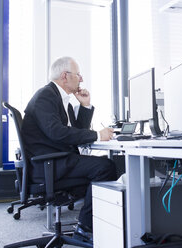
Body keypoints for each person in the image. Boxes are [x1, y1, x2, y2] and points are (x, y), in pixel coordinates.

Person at [21, 56, 117, 242]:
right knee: (106, 167)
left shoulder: (59, 98)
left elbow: (75, 132)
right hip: (49, 164)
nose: (81, 79)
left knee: (104, 165)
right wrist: (98, 135)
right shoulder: (46, 96)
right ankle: (85, 227)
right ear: (65, 76)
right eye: (78, 74)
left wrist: (85, 105)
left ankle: (89, 223)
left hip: (55, 159)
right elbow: (57, 132)